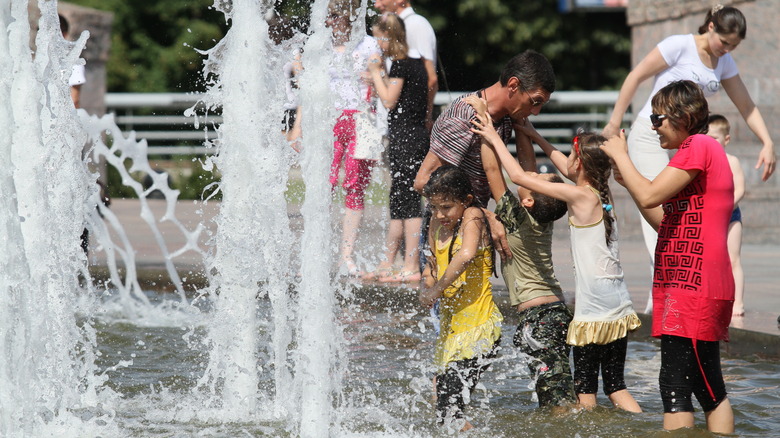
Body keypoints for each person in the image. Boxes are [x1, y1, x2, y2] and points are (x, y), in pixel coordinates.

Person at [602, 5, 775, 311]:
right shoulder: (679, 45)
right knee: (658, 210)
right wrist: (615, 124)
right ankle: (663, 301)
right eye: (725, 42)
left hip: (683, 141)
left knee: (680, 218)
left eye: (734, 46)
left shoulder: (724, 61)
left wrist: (767, 141)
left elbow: (746, 104)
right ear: (710, 27)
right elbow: (635, 76)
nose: (727, 50)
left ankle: (675, 295)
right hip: (652, 133)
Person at [471, 113, 642, 413]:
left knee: (584, 390)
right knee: (614, 386)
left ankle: (585, 430)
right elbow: (561, 167)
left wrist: (493, 134)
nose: (564, 162)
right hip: (618, 303)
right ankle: (640, 426)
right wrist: (533, 134)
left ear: (581, 166)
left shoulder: (579, 196)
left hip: (595, 308)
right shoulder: (602, 195)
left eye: (571, 156)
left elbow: (521, 177)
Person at [601, 80, 735, 433]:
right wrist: (629, 180)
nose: (653, 125)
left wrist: (621, 155)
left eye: (658, 117)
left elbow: (648, 196)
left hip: (696, 284)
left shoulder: (698, 145)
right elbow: (665, 220)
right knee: (704, 387)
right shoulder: (693, 152)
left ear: (683, 116)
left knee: (680, 385)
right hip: (686, 283)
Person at [463, 95, 577, 410]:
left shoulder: (515, 217)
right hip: (552, 314)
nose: (533, 173)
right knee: (557, 390)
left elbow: (492, 170)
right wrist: (521, 127)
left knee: (556, 402)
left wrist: (487, 127)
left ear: (528, 199)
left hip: (538, 320)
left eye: (537, 179)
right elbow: (526, 165)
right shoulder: (540, 215)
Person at [413, 50, 556, 260]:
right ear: (514, 85)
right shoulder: (464, 118)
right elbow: (422, 182)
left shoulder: (506, 118)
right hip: (444, 238)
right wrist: (486, 215)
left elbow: (529, 177)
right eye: (535, 101)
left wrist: (522, 128)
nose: (536, 112)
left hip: (474, 230)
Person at [418, 165, 503, 431]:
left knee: (449, 409)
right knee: (445, 410)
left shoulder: (473, 216)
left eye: (446, 207)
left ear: (465, 200)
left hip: (479, 331)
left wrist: (436, 291)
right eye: (434, 207)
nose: (440, 214)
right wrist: (426, 286)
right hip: (451, 334)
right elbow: (431, 265)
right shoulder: (437, 221)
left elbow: (465, 255)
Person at [363, 13, 429, 282]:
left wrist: (376, 72)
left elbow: (390, 101)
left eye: (378, 36)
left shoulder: (401, 65)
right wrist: (378, 78)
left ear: (388, 36)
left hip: (408, 139)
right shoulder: (414, 64)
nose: (377, 43)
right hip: (409, 137)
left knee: (409, 200)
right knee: (398, 198)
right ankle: (388, 262)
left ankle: (411, 265)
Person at [326, 0, 382, 275]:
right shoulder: (320, 46)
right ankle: (319, 251)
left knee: (355, 186)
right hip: (329, 119)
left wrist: (373, 76)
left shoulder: (369, 45)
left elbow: (384, 77)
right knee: (323, 186)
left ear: (349, 16)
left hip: (362, 119)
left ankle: (346, 255)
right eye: (328, 17)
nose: (331, 22)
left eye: (335, 16)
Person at [374, 0, 438, 131]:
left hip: (409, 127)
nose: (376, 5)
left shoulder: (416, 24)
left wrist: (426, 118)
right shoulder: (399, 24)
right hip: (395, 125)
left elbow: (431, 79)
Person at [707, 114, 745, 318]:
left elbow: (740, 189)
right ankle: (714, 297)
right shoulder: (704, 163)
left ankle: (738, 302)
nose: (710, 143)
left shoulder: (732, 161)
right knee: (711, 260)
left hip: (730, 215)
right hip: (709, 218)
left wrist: (726, 207)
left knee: (734, 259)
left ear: (726, 140)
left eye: (714, 139)